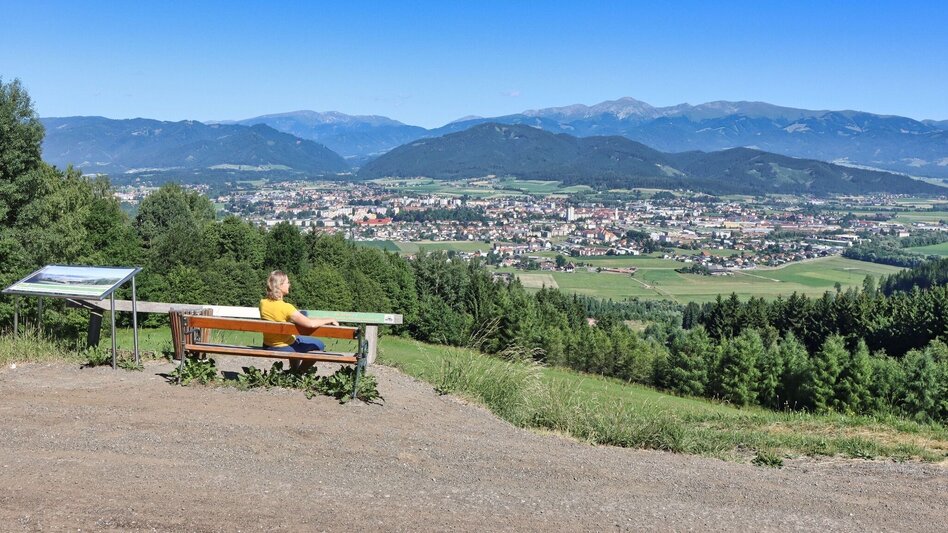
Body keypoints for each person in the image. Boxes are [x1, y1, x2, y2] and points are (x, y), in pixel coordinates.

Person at [260, 270, 338, 372]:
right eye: (287, 282)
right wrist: (329, 319)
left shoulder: (262, 303)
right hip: (282, 347)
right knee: (319, 345)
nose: (289, 284)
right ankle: (298, 373)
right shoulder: (287, 308)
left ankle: (294, 371)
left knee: (296, 337)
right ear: (280, 285)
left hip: (267, 345)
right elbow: (310, 324)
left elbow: (276, 316)